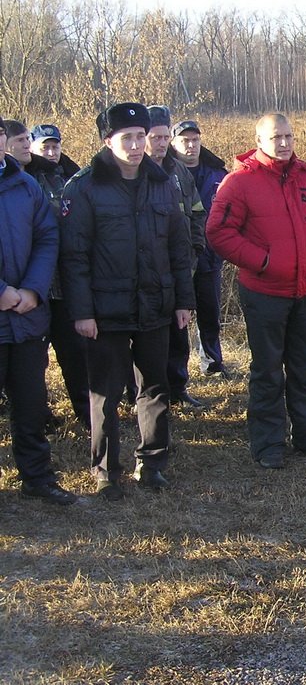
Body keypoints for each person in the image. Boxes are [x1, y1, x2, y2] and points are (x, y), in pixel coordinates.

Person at [60, 103, 196, 500]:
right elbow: (75, 257)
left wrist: (183, 301)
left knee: (155, 387)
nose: (137, 145)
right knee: (105, 392)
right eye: (127, 138)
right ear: (107, 141)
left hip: (154, 306)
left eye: (142, 136)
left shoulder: (162, 182)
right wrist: (82, 312)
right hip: (105, 312)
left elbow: (178, 244)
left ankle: (152, 463)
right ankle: (106, 470)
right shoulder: (84, 188)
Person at [206, 113, 306, 469]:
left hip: (305, 289)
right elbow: (218, 232)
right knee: (267, 370)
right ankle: (268, 443)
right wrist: (262, 261)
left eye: (288, 136)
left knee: (304, 366)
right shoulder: (239, 182)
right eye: (275, 137)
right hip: (264, 291)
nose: (283, 144)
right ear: (260, 140)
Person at [0, 119, 77, 505]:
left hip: (27, 315)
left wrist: (31, 288)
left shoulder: (25, 185)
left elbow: (47, 237)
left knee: (30, 404)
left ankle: (37, 477)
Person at [18, 123, 90, 427]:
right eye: (42, 146)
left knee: (74, 353)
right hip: (29, 285)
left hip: (62, 283)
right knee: (33, 359)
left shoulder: (68, 176)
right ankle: (39, 415)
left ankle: (88, 414)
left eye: (54, 146)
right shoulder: (19, 182)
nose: (50, 152)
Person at [146, 105, 207, 409]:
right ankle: (145, 394)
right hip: (146, 273)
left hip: (180, 269)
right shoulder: (133, 172)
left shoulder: (179, 171)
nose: (160, 143)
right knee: (147, 339)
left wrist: (195, 249)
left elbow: (197, 212)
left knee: (179, 333)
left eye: (163, 137)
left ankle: (178, 387)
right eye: (154, 137)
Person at [170, 119, 231, 378]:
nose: (191, 146)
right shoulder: (164, 172)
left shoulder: (218, 174)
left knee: (210, 313)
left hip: (209, 255)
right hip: (178, 259)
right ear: (174, 143)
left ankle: (212, 362)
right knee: (177, 317)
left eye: (195, 140)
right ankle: (177, 371)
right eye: (185, 141)